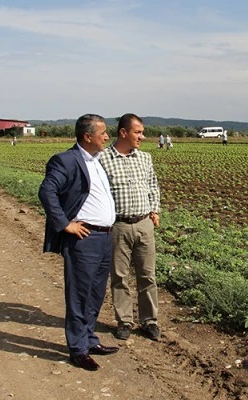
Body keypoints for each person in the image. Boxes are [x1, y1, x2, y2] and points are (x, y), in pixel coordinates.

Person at [38, 114, 120, 371]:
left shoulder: (97, 161)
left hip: (105, 237)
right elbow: (46, 191)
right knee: (79, 295)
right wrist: (64, 224)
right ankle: (78, 348)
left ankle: (90, 338)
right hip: (84, 238)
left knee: (96, 294)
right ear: (88, 136)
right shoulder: (66, 160)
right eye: (103, 133)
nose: (107, 137)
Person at [99, 113, 162, 341]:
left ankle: (149, 321)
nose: (142, 137)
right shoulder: (103, 159)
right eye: (138, 132)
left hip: (144, 224)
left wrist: (154, 209)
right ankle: (124, 321)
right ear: (123, 133)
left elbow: (153, 185)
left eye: (142, 132)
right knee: (119, 276)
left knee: (148, 276)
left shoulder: (145, 158)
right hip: (118, 226)